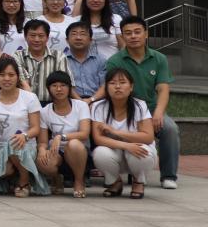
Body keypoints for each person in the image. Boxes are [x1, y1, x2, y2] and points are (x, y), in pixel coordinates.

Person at [104, 16, 177, 189]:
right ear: (122, 36)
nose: (133, 36)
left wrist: (158, 112)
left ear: (146, 34)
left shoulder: (159, 58)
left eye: (137, 32)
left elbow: (163, 88)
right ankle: (122, 175)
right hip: (126, 111)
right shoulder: (115, 61)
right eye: (128, 33)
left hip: (151, 109)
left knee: (170, 129)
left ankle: (168, 176)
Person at [91, 67, 157, 198]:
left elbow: (148, 137)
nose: (117, 87)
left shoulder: (140, 106)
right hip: (115, 151)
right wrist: (126, 145)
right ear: (106, 87)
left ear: (131, 87)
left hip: (137, 152)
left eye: (122, 82)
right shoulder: (98, 107)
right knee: (99, 153)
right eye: (112, 83)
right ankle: (115, 182)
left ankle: (138, 181)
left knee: (141, 151)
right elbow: (98, 139)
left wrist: (116, 132)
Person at [36, 70, 90, 198]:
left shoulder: (81, 106)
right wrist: (42, 150)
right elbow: (43, 141)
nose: (59, 89)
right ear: (48, 89)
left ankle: (79, 181)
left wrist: (61, 137)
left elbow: (84, 133)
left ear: (70, 88)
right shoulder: (44, 111)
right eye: (54, 86)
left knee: (73, 144)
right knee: (43, 161)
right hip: (56, 151)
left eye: (63, 85)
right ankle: (56, 178)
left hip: (79, 150)